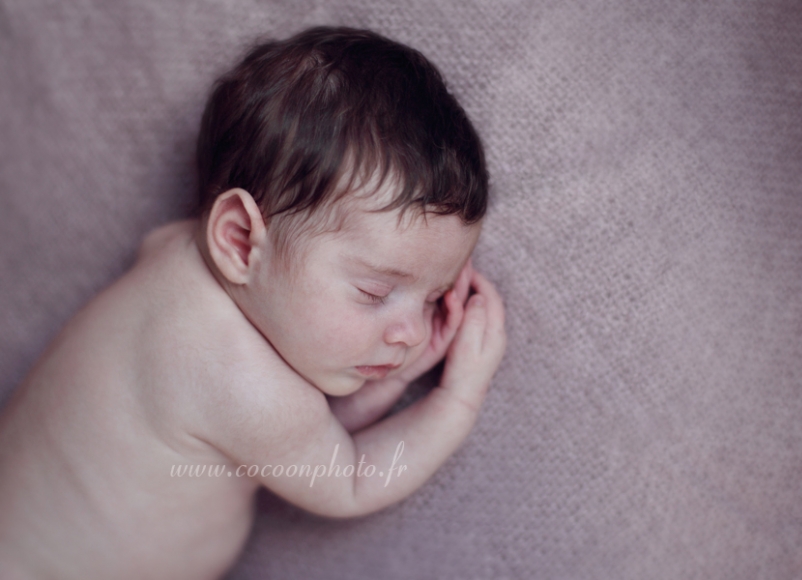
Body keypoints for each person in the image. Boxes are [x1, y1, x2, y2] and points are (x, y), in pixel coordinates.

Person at [0, 26, 506, 579]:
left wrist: (388, 376)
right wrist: (457, 398)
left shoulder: (170, 252)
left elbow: (301, 431)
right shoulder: (242, 383)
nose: (413, 330)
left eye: (433, 298)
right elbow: (351, 478)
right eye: (375, 292)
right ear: (240, 240)